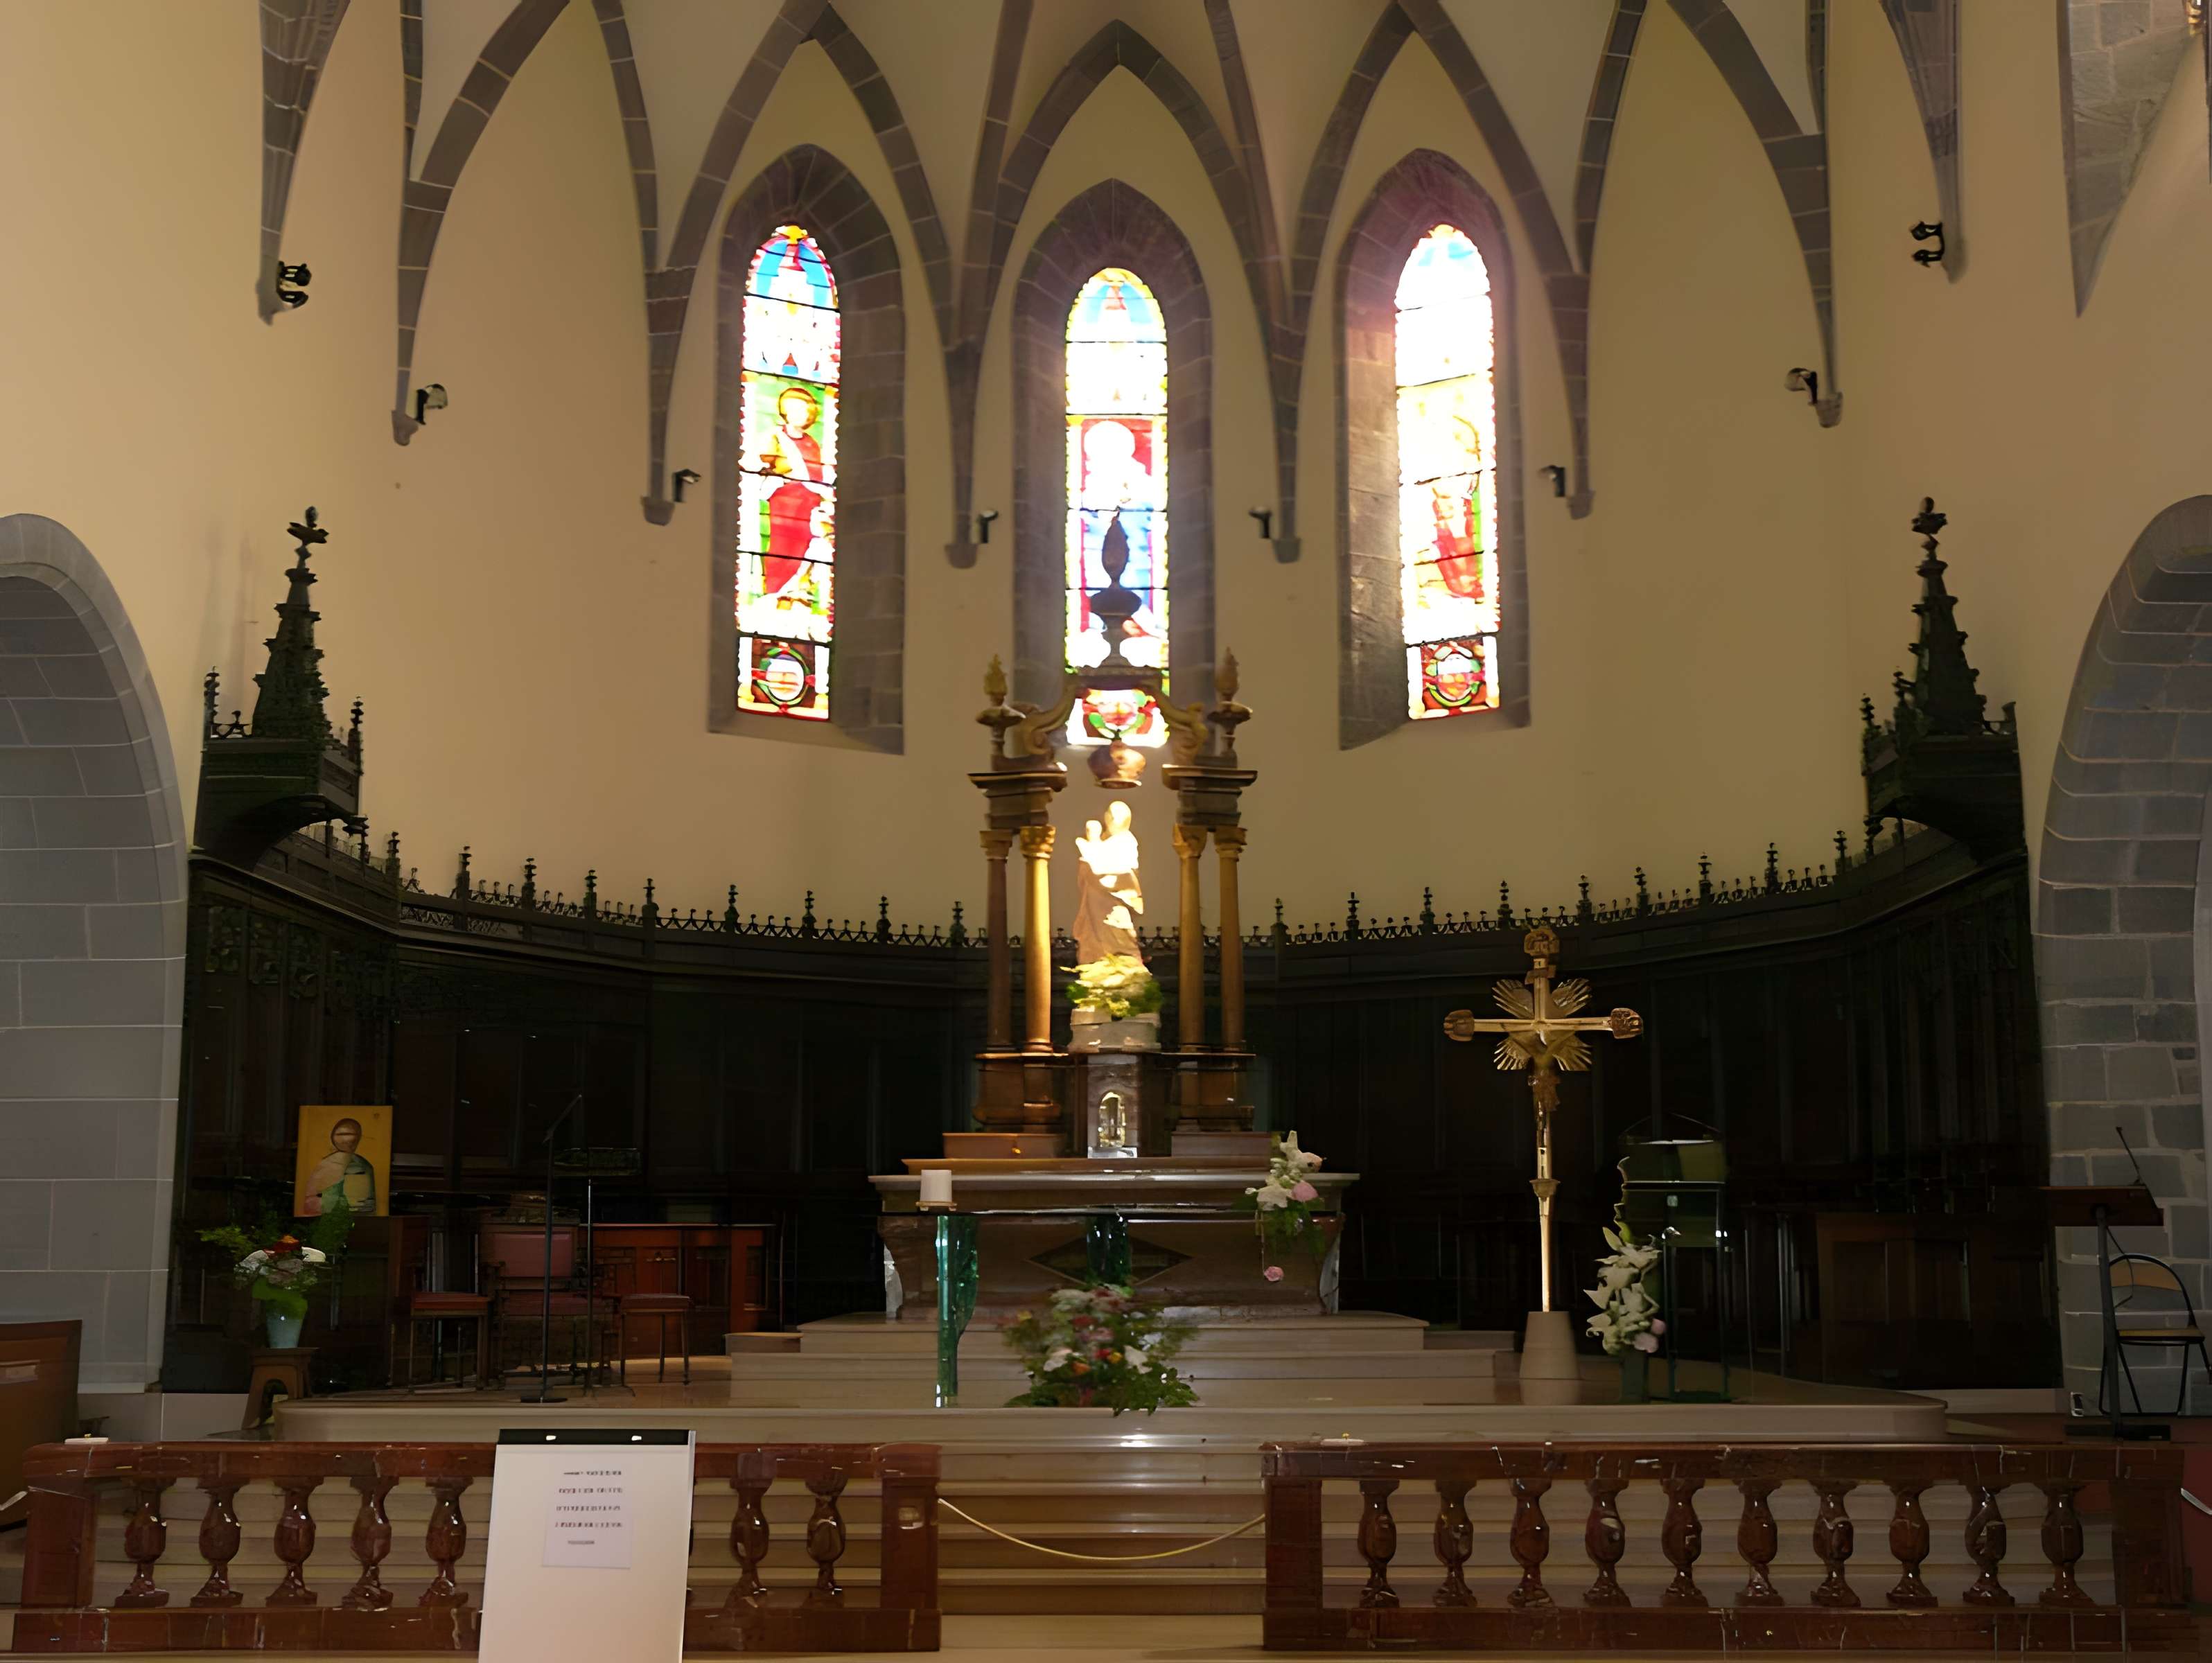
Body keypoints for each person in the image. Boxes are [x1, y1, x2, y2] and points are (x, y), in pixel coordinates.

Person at [1070, 800, 1145, 966]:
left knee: (1120, 931)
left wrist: (1093, 857)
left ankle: (1126, 967)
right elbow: (1088, 874)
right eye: (1111, 815)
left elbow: (1123, 872)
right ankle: (1098, 965)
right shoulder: (1102, 842)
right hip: (1095, 901)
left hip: (1114, 902)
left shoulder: (1126, 841)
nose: (1114, 820)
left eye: (1118, 817)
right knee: (1095, 937)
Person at [299, 1117, 376, 1217]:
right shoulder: (325, 1165)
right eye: (342, 1134)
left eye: (352, 1134)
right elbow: (310, 1202)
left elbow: (369, 1205)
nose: (349, 1139)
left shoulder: (365, 1165)